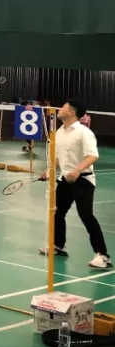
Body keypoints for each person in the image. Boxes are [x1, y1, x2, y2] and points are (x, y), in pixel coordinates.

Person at [40, 100, 110, 269]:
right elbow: (58, 157)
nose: (60, 109)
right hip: (65, 180)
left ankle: (102, 255)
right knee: (57, 213)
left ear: (72, 112)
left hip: (83, 180)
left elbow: (93, 155)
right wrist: (49, 170)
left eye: (64, 107)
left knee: (86, 215)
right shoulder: (59, 132)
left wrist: (77, 170)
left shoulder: (84, 132)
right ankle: (59, 246)